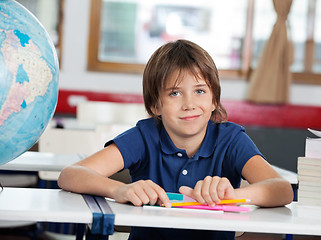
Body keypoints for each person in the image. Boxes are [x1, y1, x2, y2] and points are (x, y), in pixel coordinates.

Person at [58, 39, 293, 240]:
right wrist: (120, 190)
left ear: (214, 101)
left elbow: (281, 190)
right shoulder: (144, 137)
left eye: (200, 91)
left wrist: (233, 196)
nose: (189, 104)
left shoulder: (231, 140)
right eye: (175, 93)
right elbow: (71, 174)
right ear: (155, 105)